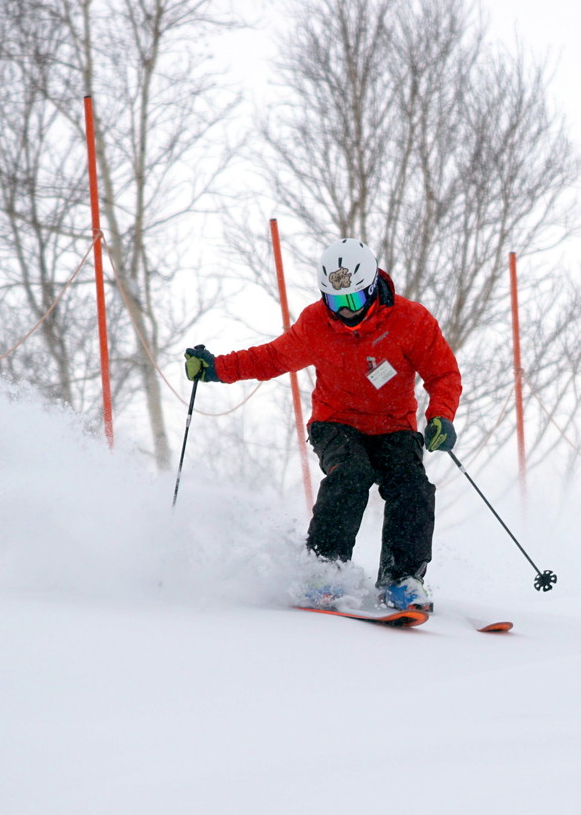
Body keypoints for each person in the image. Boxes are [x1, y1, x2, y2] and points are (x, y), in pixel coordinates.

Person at [184, 238, 461, 610]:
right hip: (336, 423)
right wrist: (216, 368)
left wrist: (441, 415)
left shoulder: (411, 321)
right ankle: (323, 570)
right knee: (350, 475)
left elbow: (442, 373)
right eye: (335, 301)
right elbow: (270, 358)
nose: (345, 311)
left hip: (395, 427)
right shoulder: (316, 324)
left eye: (354, 301)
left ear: (372, 287)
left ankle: (401, 580)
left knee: (411, 486)